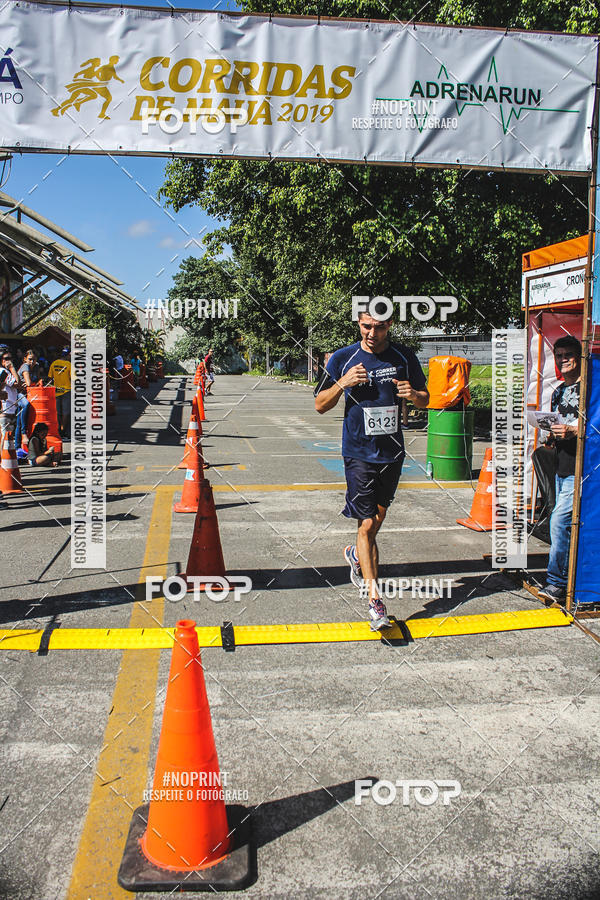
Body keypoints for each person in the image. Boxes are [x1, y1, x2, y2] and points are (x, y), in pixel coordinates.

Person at [314, 310, 429, 629]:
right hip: (358, 453)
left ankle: (355, 554)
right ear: (358, 324)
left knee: (376, 519)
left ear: (389, 325)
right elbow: (320, 405)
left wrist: (413, 395)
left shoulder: (404, 357)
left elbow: (425, 399)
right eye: (366, 326)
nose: (372, 333)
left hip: (392, 454)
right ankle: (375, 602)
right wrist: (343, 382)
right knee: (366, 524)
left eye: (379, 327)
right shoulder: (342, 357)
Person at [538, 335, 582, 604]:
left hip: (584, 468)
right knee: (564, 522)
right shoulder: (558, 392)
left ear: (580, 356)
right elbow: (559, 427)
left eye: (568, 354)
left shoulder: (590, 389)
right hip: (562, 467)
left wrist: (572, 430)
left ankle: (556, 582)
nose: (563, 359)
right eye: (558, 355)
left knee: (559, 521)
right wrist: (551, 436)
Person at [16, 348, 40, 458]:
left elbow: (38, 382)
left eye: (34, 359)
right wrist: (33, 383)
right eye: (30, 359)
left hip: (28, 394)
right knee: (25, 405)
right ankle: (23, 433)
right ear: (24, 359)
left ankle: (18, 448)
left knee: (19, 421)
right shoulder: (25, 367)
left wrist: (34, 383)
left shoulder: (35, 367)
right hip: (18, 394)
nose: (32, 362)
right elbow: (29, 383)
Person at [48, 348, 72, 438]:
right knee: (66, 412)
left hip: (56, 391)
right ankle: (63, 430)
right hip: (66, 391)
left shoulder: (54, 363)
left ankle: (58, 429)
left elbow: (50, 378)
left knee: (57, 412)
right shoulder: (69, 364)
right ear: (68, 355)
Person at [0, 345, 20, 438]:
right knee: (6, 440)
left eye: (10, 358)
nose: (9, 361)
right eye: (6, 358)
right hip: (6, 409)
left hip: (8, 408)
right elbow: (17, 383)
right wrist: (12, 368)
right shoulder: (3, 372)